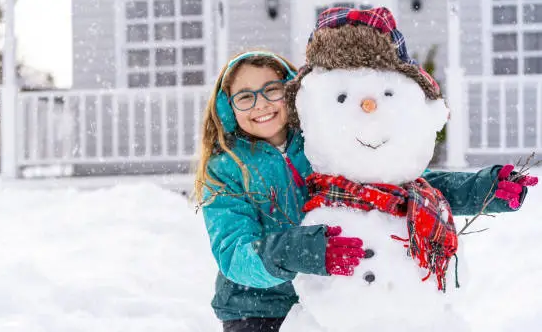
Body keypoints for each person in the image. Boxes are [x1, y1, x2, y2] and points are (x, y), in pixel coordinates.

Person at [193, 50, 536, 332]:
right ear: (228, 107)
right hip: (256, 309)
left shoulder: (322, 142)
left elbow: (405, 185)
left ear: (292, 91)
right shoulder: (225, 170)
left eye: (272, 90)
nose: (261, 104)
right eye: (245, 97)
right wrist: (299, 251)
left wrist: (485, 189)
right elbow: (234, 254)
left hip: (333, 300)